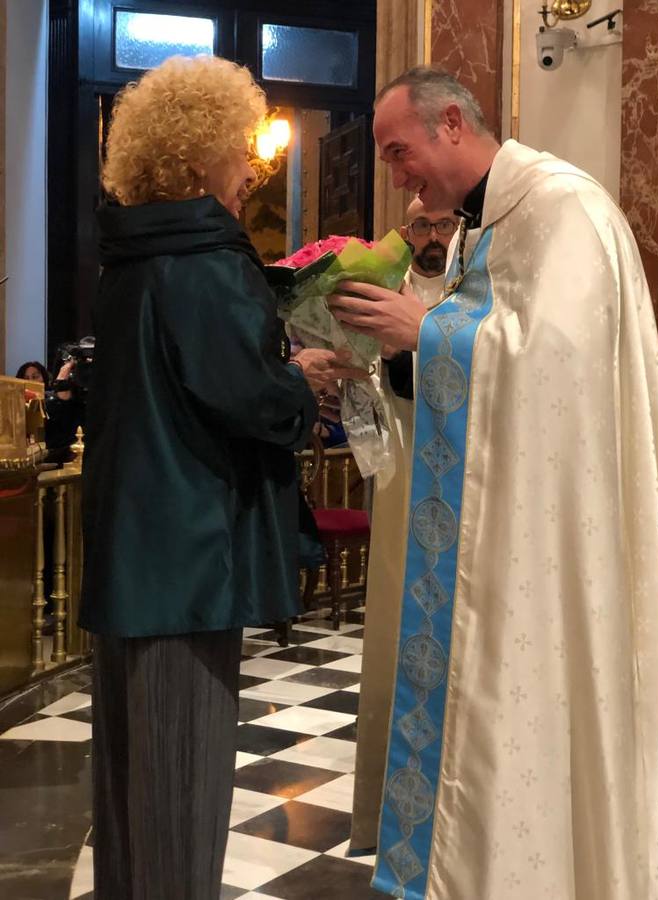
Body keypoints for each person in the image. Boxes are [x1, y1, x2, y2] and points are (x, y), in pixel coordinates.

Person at [329, 66, 658, 900]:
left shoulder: (566, 210)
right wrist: (399, 346)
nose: (396, 173)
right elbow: (488, 358)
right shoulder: (483, 230)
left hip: (554, 543)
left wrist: (432, 330)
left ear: (452, 122)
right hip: (499, 533)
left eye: (399, 151)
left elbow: (560, 370)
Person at [79, 55, 365, 900]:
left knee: (131, 785)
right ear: (198, 151)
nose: (252, 169)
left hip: (131, 547)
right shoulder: (202, 257)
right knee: (181, 784)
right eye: (242, 149)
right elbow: (239, 392)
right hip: (190, 557)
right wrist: (298, 379)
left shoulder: (129, 257)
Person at [350, 197, 456, 852]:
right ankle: (384, 817)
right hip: (398, 485)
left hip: (460, 482)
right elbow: (362, 387)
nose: (431, 237)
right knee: (394, 631)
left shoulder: (478, 287)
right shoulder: (380, 291)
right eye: (419, 225)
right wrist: (352, 372)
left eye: (443, 223)